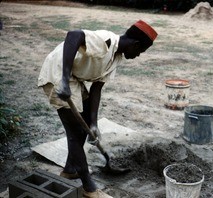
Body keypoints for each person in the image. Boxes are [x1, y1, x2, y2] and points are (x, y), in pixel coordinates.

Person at [38, 20, 158, 198]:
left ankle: (71, 169)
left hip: (74, 78)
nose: (138, 55)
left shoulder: (115, 59)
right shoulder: (106, 40)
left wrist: (93, 123)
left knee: (85, 126)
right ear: (136, 44)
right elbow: (73, 35)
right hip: (58, 72)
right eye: (140, 51)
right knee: (75, 131)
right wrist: (64, 80)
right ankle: (89, 188)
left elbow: (97, 89)